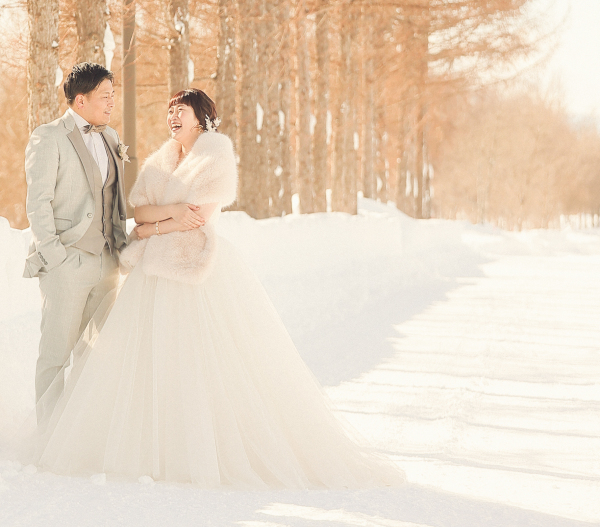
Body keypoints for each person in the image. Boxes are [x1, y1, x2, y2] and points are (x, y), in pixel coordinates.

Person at [30, 87, 402, 489]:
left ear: (201, 116)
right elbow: (139, 211)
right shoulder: (163, 159)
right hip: (153, 271)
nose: (173, 116)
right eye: (170, 110)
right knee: (148, 358)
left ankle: (203, 447)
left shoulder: (216, 155)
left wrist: (152, 226)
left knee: (201, 357)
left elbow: (201, 218)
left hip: (196, 267)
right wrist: (164, 217)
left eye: (182, 110)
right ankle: (147, 443)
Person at [23, 61, 128, 422]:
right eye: (105, 96)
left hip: (107, 264)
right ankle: (48, 437)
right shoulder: (48, 136)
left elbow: (113, 199)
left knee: (97, 354)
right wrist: (55, 256)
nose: (112, 102)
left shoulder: (111, 137)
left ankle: (82, 433)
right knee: (56, 354)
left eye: (113, 95)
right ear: (80, 101)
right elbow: (38, 203)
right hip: (68, 262)